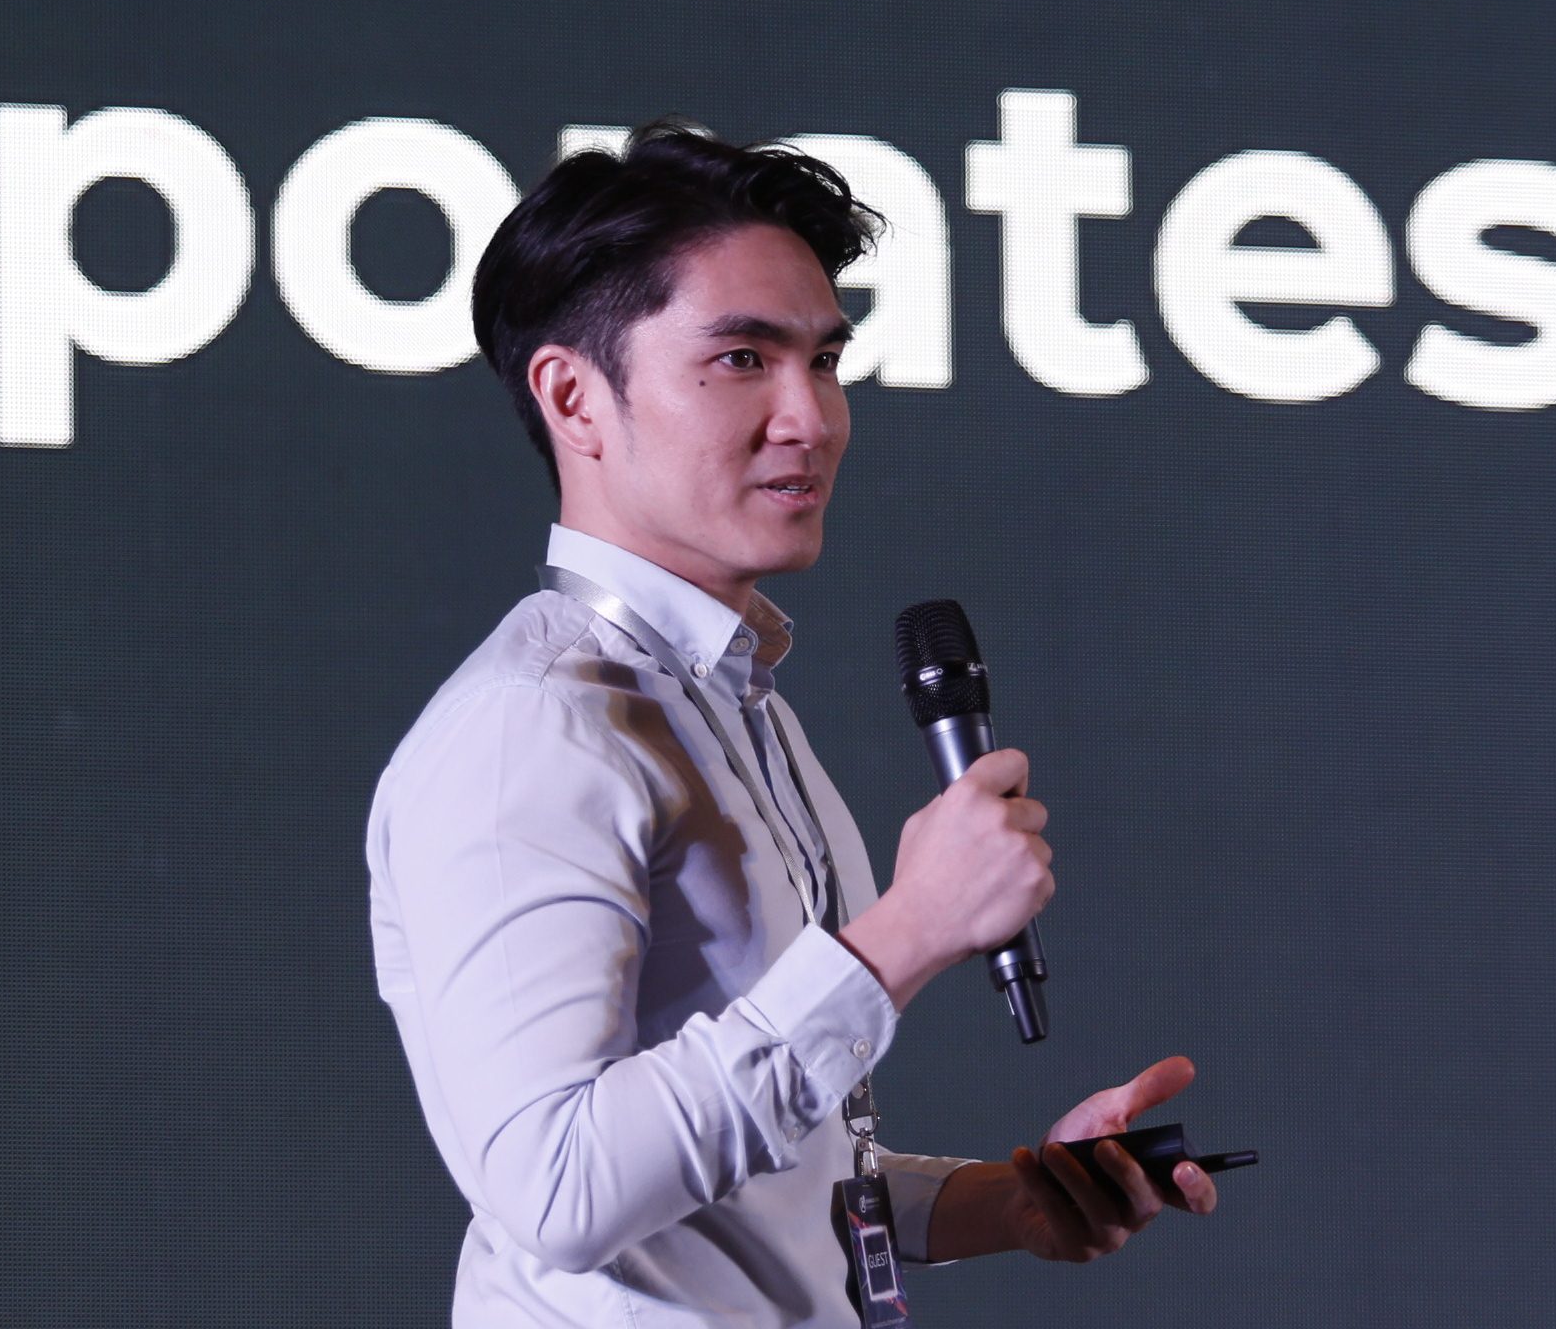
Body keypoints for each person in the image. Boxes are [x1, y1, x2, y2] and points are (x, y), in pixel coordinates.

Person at [365, 121, 1220, 1328]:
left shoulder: (727, 698)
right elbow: (559, 1188)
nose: (810, 418)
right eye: (741, 359)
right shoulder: (532, 730)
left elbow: (750, 1189)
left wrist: (1012, 1204)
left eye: (824, 361)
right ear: (574, 397)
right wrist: (909, 931)